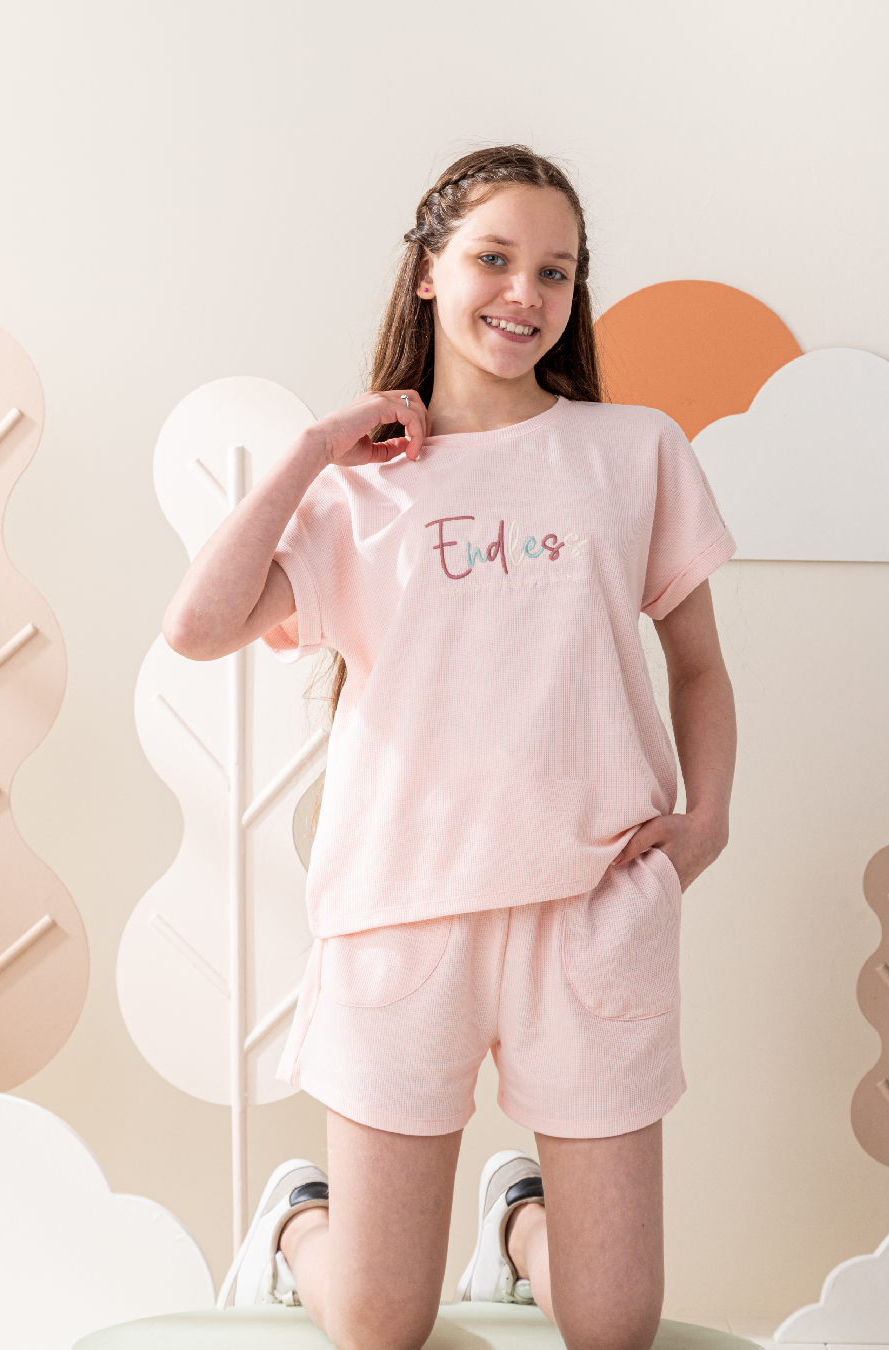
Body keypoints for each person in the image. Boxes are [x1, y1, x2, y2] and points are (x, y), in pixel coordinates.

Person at [163, 144, 737, 1350]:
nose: (524, 294)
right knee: (383, 1324)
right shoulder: (359, 489)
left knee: (614, 1329)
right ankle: (297, 1222)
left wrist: (706, 823)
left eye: (555, 271)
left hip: (593, 906)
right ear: (428, 271)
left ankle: (519, 1220)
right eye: (493, 259)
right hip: (401, 910)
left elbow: (696, 664)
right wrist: (316, 447)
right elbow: (197, 627)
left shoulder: (634, 452)